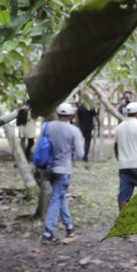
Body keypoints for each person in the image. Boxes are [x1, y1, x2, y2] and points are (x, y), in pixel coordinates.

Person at [41, 102, 85, 244]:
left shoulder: (47, 126)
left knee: (59, 197)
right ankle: (48, 232)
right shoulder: (73, 131)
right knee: (56, 198)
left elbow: (38, 147)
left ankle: (69, 226)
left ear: (57, 113)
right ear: (71, 115)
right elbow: (80, 154)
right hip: (64, 170)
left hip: (48, 169)